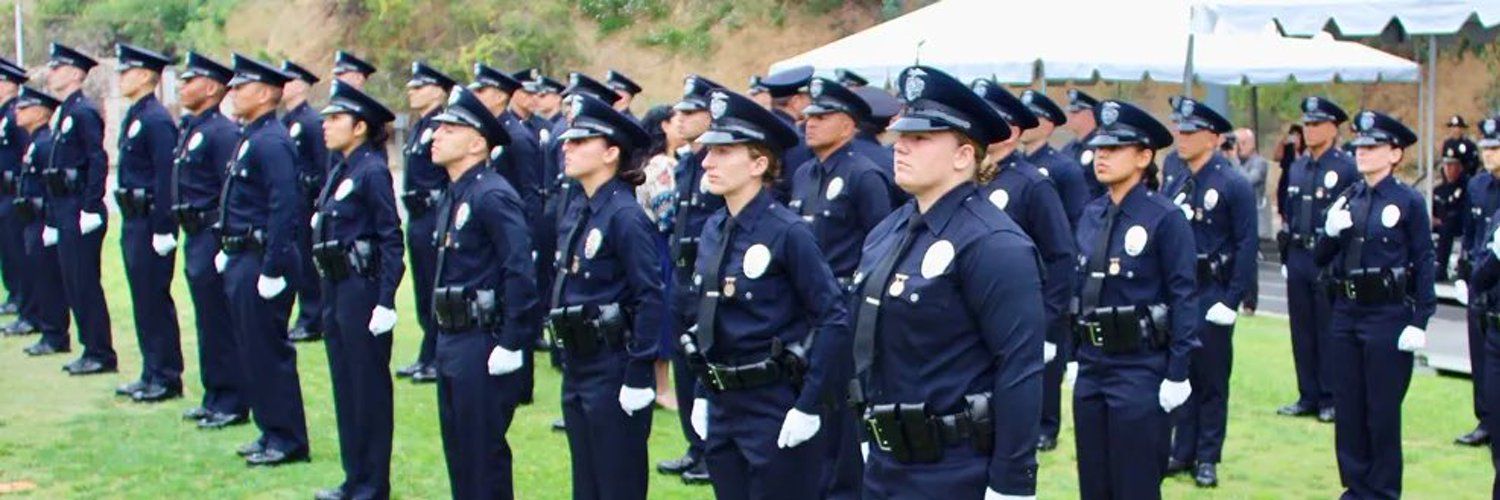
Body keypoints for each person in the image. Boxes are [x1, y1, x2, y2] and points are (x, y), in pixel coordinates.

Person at [853, 65, 1044, 499]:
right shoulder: (889, 231)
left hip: (955, 468)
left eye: (920, 139)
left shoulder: (994, 243)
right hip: (886, 462)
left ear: (963, 155)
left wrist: (1012, 484)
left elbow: (1019, 366)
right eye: (901, 136)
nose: (900, 147)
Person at [682, 87, 849, 500]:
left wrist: (810, 404)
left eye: (723, 152)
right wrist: (704, 393)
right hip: (724, 402)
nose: (708, 162)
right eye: (708, 151)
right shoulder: (714, 228)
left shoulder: (787, 232)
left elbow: (832, 317)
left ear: (759, 163)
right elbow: (711, 319)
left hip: (773, 402)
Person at [1070, 99, 1199, 500]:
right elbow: (1081, 289)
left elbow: (1183, 295)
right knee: (1094, 482)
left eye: (1114, 149)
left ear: (1144, 156)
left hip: (1139, 367)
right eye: (1099, 148)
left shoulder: (1165, 218)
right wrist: (1075, 354)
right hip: (1093, 365)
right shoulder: (1091, 214)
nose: (1101, 156)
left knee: (1135, 485)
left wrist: (1178, 371)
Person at [1316, 110, 1435, 499]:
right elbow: (1321, 256)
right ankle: (1355, 487)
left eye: (1373, 146)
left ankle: (1383, 491)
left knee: (1381, 412)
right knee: (1348, 409)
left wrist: (1420, 318)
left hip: (1387, 314)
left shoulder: (1407, 202)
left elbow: (1424, 259)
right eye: (1360, 146)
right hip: (1347, 312)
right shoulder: (1349, 198)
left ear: (1395, 153)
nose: (1362, 152)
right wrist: (1330, 232)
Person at [426, 86, 537, 499]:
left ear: (477, 143)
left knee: (482, 452)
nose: (437, 135)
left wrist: (511, 342)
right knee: (459, 448)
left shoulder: (492, 194)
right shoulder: (457, 193)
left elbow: (520, 271)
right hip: (453, 335)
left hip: (481, 338)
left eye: (450, 128)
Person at [551, 94, 664, 500]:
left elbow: (650, 296)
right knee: (587, 482)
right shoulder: (582, 208)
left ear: (611, 153)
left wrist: (639, 373)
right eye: (569, 140)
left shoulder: (625, 216)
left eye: (581, 142)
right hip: (580, 362)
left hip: (612, 365)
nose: (568, 146)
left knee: (617, 482)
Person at [791, 76, 896, 499]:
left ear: (850, 125)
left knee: (840, 416)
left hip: (845, 311)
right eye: (809, 115)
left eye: (822, 116)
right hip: (805, 309)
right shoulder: (803, 173)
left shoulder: (865, 175)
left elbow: (881, 246)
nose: (809, 122)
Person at [310, 81, 406, 500]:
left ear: (360, 126)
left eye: (335, 119)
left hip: (361, 290)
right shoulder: (342, 168)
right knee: (345, 386)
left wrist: (385, 300)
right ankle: (354, 477)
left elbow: (390, 238)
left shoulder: (371, 171)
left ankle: (372, 483)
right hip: (335, 287)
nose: (326, 126)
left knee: (367, 390)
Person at [972, 79, 1077, 455]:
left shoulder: (1032, 184)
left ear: (1011, 130)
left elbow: (1061, 256)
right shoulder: (969, 178)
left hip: (1020, 313)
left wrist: (1048, 323)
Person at [1160, 98, 1257, 488]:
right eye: (1179, 130)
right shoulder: (1175, 177)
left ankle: (1207, 455)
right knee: (1180, 370)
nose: (1181, 138)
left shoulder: (1232, 182)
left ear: (1213, 138)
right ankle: (1181, 450)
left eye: (1190, 132)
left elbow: (1247, 244)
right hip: (1180, 289)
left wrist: (1233, 299)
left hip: (1213, 288)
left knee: (1212, 378)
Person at [220, 54, 310, 466]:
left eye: (242, 87)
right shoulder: (251, 135)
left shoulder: (271, 140)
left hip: (262, 259)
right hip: (243, 254)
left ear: (266, 93)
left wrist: (273, 266)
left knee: (269, 350)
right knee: (250, 347)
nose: (233, 93)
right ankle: (269, 428)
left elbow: (284, 205)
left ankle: (287, 437)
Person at [171, 52, 249, 429]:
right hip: (194, 233)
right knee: (206, 319)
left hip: (211, 232)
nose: (182, 86)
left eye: (191, 80)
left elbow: (229, 190)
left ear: (213, 87)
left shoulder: (221, 132)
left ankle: (232, 399)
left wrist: (222, 237)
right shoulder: (195, 128)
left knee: (219, 318)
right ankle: (214, 393)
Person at [658, 74, 725, 485]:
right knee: (684, 363)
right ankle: (694, 446)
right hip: (682, 276)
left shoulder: (720, 161)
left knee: (705, 364)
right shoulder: (686, 162)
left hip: (709, 277)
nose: (679, 119)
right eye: (678, 111)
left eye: (689, 112)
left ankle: (710, 450)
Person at [1276, 96, 1357, 423]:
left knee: (1327, 328)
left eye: (1316, 124)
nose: (1309, 131)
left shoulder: (1345, 167)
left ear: (1332, 128)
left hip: (1327, 258)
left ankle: (1330, 396)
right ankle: (1307, 393)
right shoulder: (1298, 166)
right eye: (1306, 124)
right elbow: (1289, 210)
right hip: (1298, 254)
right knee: (1302, 328)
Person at [111, 43, 184, 402]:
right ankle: (150, 370)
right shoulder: (137, 115)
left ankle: (166, 375)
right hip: (132, 219)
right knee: (142, 298)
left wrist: (163, 227)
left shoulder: (155, 119)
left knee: (154, 297)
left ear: (144, 75)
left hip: (149, 220)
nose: (121, 78)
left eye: (126, 71)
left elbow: (164, 176)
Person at [471, 62, 547, 404]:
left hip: (515, 228)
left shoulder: (516, 135)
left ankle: (522, 386)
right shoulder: (495, 131)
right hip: (498, 229)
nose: (477, 96)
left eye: (482, 90)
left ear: (500, 95)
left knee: (518, 302)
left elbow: (531, 191)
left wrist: (527, 238)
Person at [43, 43, 115, 376]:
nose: (50, 73)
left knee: (85, 281)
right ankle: (90, 347)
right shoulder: (66, 111)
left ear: (74, 72)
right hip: (65, 205)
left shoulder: (82, 111)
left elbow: (97, 159)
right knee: (73, 280)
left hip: (79, 206)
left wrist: (90, 204)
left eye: (57, 68)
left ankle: (100, 351)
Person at [394, 62, 457, 384]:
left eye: (419, 87)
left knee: (435, 287)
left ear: (437, 90)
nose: (411, 92)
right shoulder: (420, 127)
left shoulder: (442, 126)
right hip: (417, 215)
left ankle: (434, 356)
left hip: (434, 214)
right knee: (422, 289)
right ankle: (426, 352)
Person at [11, 85, 71, 357]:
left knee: (48, 277)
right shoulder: (36, 141)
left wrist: (50, 218)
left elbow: (51, 185)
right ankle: (48, 330)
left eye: (24, 108)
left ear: (40, 112)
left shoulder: (45, 142)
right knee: (37, 273)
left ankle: (55, 333)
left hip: (42, 217)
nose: (17, 112)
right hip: (30, 217)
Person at [1456, 117, 1500, 448]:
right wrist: (1461, 271)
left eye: (1495, 148)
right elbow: (1469, 232)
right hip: (1479, 275)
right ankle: (1484, 419)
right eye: (1485, 148)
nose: (1489, 154)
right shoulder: (1476, 186)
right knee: (1479, 351)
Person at [280, 60, 330, 343]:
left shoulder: (311, 122)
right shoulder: (286, 122)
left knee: (309, 264)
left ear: (300, 85)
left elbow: (323, 166)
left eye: (288, 81)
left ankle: (313, 318)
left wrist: (319, 204)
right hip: (293, 202)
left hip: (307, 201)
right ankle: (304, 316)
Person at [1019, 89, 1089, 225]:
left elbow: (1077, 220)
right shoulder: (1015, 163)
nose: (1025, 123)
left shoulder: (1065, 168)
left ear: (1049, 125)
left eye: (1032, 117)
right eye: (1023, 117)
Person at [0, 57, 28, 326]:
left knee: (17, 251)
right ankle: (14, 294)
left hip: (12, 191)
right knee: (7, 251)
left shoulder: (14, 115)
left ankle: (23, 299)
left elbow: (25, 154)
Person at [1232, 128, 1269, 314]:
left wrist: (1231, 164)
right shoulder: (1235, 162)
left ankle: (1249, 302)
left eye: (1243, 143)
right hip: (1233, 217)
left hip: (1252, 215)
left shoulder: (1259, 163)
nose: (1239, 148)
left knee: (1249, 259)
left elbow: (1247, 180)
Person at [1059, 88, 1104, 200]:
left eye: (1075, 112)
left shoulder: (1101, 148)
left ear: (1090, 114)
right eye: (1070, 111)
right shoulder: (1068, 149)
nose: (1070, 116)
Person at [1433, 150, 1467, 282]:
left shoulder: (1466, 188)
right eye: (1446, 165)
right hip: (1439, 224)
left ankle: (1440, 267)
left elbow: (1461, 211)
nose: (1448, 169)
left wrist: (1444, 220)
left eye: (1452, 165)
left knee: (1447, 228)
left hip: (1456, 226)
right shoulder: (1438, 190)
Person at [1272, 124, 1305, 224]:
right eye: (1293, 135)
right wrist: (1283, 142)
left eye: (1297, 135)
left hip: (1300, 181)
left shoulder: (1305, 150)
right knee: (1284, 207)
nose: (1294, 138)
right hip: (1286, 180)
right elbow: (1276, 157)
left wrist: (1297, 148)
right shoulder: (1287, 148)